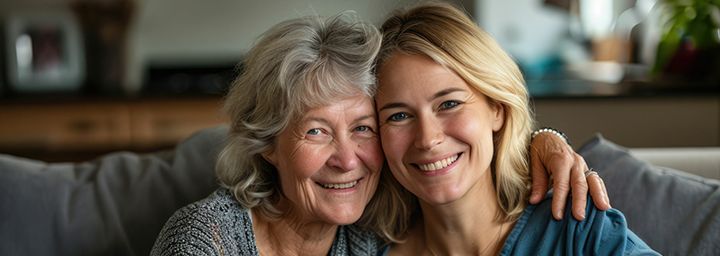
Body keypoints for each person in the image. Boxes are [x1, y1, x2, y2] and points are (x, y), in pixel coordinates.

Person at [151, 10, 609, 256]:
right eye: (315, 131)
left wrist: (542, 139)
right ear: (267, 144)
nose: (347, 159)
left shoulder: (370, 231)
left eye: (363, 128)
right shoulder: (208, 240)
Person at [373, 2, 658, 255]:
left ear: (497, 108)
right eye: (398, 116)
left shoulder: (578, 232)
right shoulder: (363, 247)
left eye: (448, 104)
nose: (427, 139)